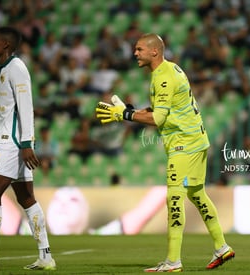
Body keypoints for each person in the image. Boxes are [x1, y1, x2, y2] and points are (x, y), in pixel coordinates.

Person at [95, 33, 234, 272]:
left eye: (139, 49)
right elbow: (164, 109)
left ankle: (173, 261)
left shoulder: (163, 77)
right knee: (197, 194)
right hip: (197, 140)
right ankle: (222, 247)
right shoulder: (172, 69)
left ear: (154, 52)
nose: (135, 53)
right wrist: (130, 110)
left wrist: (123, 115)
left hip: (184, 144)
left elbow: (158, 119)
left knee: (174, 198)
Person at [0, 26, 56, 271]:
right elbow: (2, 110)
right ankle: (45, 256)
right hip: (6, 139)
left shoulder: (17, 68)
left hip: (13, 142)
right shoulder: (3, 69)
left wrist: (26, 143)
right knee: (26, 198)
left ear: (5, 45)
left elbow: (26, 106)